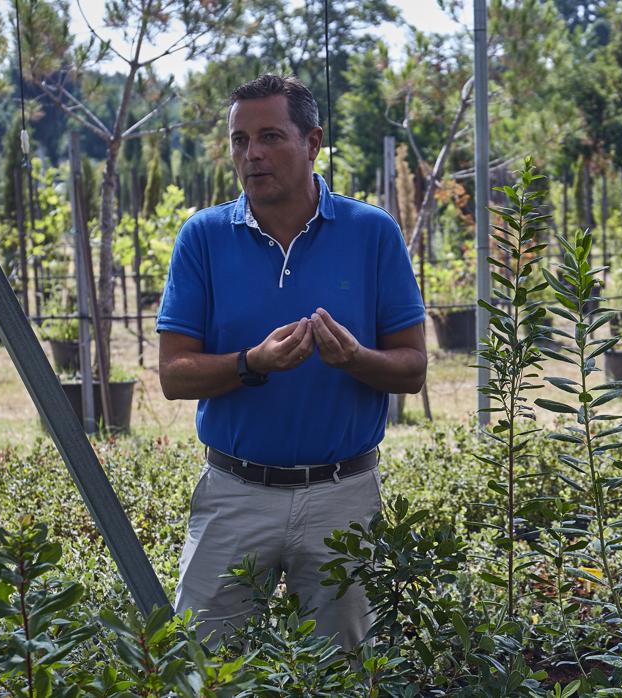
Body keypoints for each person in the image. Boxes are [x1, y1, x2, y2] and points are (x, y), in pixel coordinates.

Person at [156, 74, 427, 649]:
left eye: (270, 136)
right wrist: (251, 363)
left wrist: (355, 357)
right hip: (235, 492)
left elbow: (413, 368)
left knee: (347, 672)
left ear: (313, 142)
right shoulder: (202, 238)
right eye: (239, 139)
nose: (251, 154)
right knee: (200, 667)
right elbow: (174, 375)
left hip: (342, 495)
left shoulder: (372, 233)